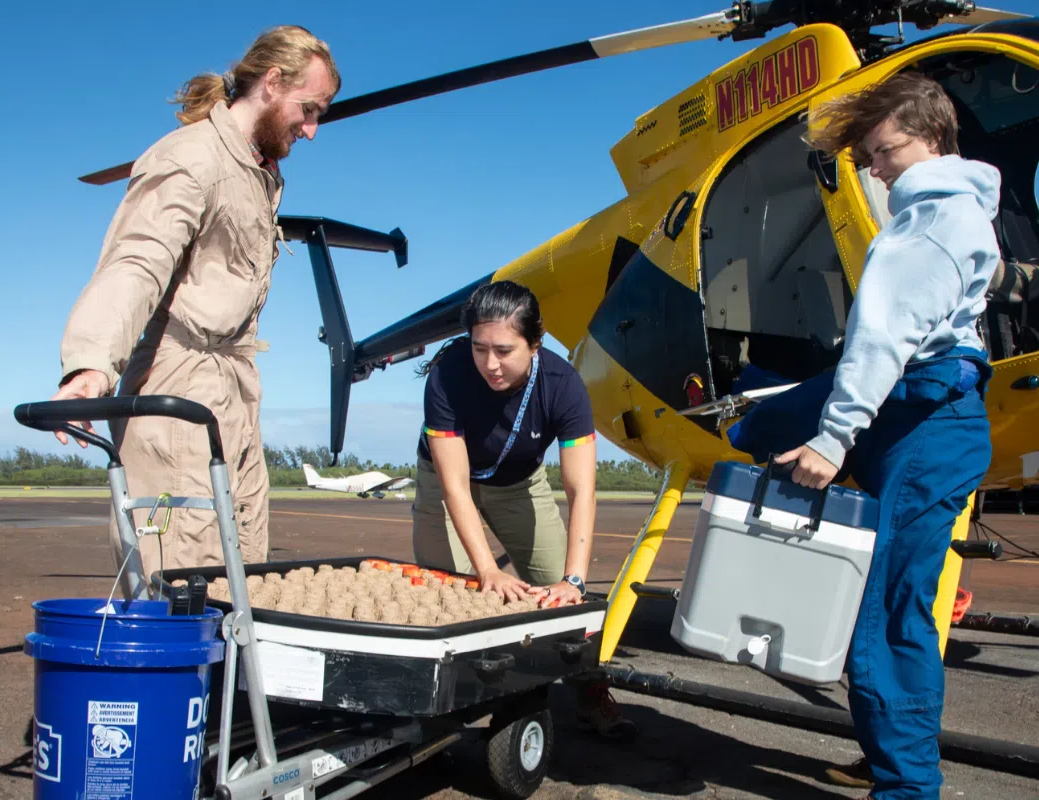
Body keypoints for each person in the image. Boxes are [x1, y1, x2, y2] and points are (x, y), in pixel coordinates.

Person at [726, 71, 1001, 799]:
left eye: (885, 151)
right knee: (759, 426)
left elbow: (882, 341)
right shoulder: (961, 212)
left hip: (923, 422)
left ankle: (906, 785)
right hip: (922, 411)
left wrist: (833, 438)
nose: (876, 169)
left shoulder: (927, 227)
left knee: (885, 620)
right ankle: (891, 756)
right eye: (870, 156)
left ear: (933, 139)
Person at [51, 26, 342, 580]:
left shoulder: (257, 171)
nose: (311, 130)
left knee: (243, 569)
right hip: (177, 393)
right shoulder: (190, 159)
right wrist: (91, 364)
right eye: (308, 110)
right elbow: (137, 260)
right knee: (178, 575)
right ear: (272, 82)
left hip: (233, 393)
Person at [413, 279, 636, 740]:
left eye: (504, 350)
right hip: (446, 482)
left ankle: (590, 691)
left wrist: (574, 580)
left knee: (565, 598)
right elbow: (455, 488)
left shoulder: (563, 385)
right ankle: (449, 707)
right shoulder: (448, 375)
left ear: (535, 343)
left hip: (518, 483)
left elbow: (581, 490)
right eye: (479, 348)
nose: (490, 364)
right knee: (450, 593)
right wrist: (487, 571)